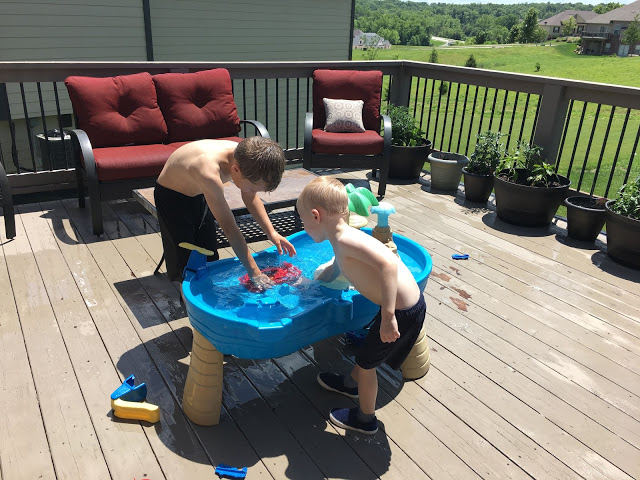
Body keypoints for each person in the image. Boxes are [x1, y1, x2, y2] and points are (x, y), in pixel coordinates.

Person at [296, 176, 425, 435]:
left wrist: (388, 316)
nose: (304, 226)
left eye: (303, 221)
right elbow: (336, 267)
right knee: (368, 353)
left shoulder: (345, 241)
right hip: (403, 307)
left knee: (367, 366)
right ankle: (349, 384)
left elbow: (387, 264)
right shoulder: (344, 236)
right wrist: (309, 285)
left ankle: (365, 419)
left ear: (316, 215)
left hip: (400, 313)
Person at [155, 137, 296, 286]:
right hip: (172, 199)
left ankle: (203, 289)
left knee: (208, 253)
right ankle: (187, 303)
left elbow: (250, 197)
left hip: (199, 192)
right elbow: (230, 229)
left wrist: (271, 232)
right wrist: (255, 272)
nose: (251, 192)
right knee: (186, 263)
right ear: (235, 170)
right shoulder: (209, 172)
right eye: (251, 188)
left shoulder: (246, 157)